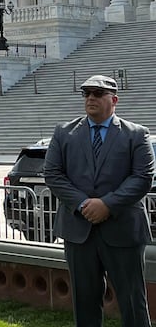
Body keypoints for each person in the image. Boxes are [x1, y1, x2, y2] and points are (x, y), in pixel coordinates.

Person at [44, 74, 155, 327]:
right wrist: (83, 204)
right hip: (79, 232)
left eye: (97, 93)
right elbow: (53, 174)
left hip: (122, 230)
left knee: (133, 302)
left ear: (114, 100)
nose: (90, 98)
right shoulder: (64, 133)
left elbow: (142, 178)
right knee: (84, 304)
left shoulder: (137, 134)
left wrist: (107, 205)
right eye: (86, 94)